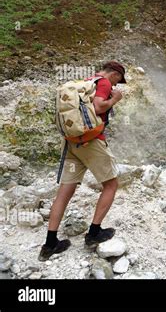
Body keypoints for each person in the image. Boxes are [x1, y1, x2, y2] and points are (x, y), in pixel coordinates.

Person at [38, 61, 127, 261]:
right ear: (114, 73)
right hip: (91, 143)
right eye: (118, 79)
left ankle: (50, 244)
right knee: (111, 185)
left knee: (64, 192)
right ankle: (94, 233)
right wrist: (115, 100)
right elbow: (98, 107)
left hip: (71, 144)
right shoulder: (103, 83)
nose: (116, 85)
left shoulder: (86, 82)